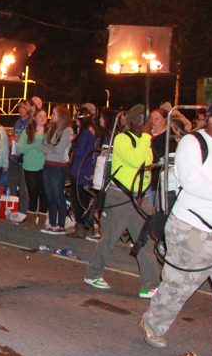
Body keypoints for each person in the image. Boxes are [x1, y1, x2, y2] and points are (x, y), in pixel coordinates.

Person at [139, 99, 212, 356]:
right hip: (193, 231)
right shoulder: (194, 143)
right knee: (178, 288)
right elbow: (192, 182)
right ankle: (152, 324)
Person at [84, 104, 161, 297]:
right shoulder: (122, 139)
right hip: (121, 196)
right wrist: (145, 138)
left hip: (140, 198)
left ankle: (150, 284)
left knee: (145, 241)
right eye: (146, 120)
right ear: (137, 121)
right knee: (109, 238)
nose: (149, 124)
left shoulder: (144, 141)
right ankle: (93, 273)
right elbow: (135, 160)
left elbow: (146, 164)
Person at [40, 106, 73, 234]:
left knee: (58, 194)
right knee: (50, 194)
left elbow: (59, 149)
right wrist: (50, 147)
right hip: (48, 164)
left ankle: (61, 224)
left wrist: (49, 147)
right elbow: (43, 148)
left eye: (54, 113)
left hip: (59, 165)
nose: (51, 116)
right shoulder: (51, 129)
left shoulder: (67, 130)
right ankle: (52, 222)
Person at [69, 106, 100, 239]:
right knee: (84, 200)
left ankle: (81, 227)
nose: (76, 122)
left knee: (80, 201)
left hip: (80, 171)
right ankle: (86, 227)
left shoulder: (86, 134)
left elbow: (81, 152)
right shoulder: (92, 133)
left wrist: (73, 142)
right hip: (83, 171)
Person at [5, 99, 34, 222]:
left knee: (23, 187)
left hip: (24, 158)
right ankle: (10, 208)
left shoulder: (30, 123)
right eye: (20, 107)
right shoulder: (17, 122)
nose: (21, 109)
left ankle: (23, 211)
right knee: (10, 183)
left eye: (24, 107)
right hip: (14, 157)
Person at [17, 109, 48, 220]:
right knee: (32, 193)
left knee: (44, 193)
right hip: (30, 167)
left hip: (44, 167)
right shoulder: (28, 131)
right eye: (40, 115)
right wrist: (33, 145)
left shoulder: (48, 133)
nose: (43, 118)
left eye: (45, 116)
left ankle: (43, 218)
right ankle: (31, 218)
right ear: (34, 118)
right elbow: (19, 148)